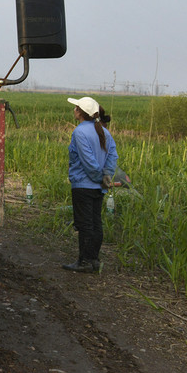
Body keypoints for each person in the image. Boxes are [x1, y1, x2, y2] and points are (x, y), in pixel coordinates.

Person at [63, 96, 118, 274]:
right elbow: (112, 156)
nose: (74, 110)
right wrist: (106, 175)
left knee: (85, 224)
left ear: (80, 112)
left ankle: (85, 261)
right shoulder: (103, 131)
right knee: (95, 223)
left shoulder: (79, 132)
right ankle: (94, 260)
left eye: (76, 107)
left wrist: (98, 177)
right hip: (98, 187)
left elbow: (88, 161)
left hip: (84, 185)